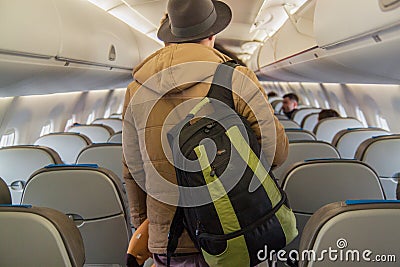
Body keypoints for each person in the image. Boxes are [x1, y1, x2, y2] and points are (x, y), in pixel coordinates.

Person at [122, 0, 289, 266]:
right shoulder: (237, 78)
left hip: (170, 240)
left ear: (169, 36)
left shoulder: (136, 89)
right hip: (237, 228)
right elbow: (276, 153)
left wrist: (147, 225)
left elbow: (133, 170)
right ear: (212, 34)